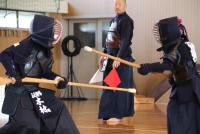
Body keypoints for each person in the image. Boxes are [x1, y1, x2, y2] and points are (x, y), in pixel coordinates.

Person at [0, 15, 80, 134]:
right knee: (28, 125)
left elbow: (46, 72)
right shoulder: (25, 44)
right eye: (52, 31)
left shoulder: (47, 52)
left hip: (34, 91)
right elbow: (4, 55)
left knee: (58, 107)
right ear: (44, 30)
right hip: (19, 91)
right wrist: (13, 74)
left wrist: (58, 79)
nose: (54, 34)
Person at [137, 16, 200, 134]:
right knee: (182, 116)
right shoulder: (184, 43)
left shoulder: (178, 46)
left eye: (162, 31)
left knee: (182, 118)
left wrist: (148, 67)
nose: (159, 35)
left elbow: (167, 65)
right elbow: (180, 66)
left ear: (169, 32)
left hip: (187, 89)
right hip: (188, 85)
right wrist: (174, 78)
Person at [98, 0, 135, 124]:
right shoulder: (113, 20)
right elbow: (109, 39)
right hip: (110, 57)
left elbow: (125, 41)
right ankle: (107, 113)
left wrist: (119, 58)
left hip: (120, 58)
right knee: (108, 86)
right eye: (115, 4)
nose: (117, 6)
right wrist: (103, 54)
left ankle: (117, 115)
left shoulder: (127, 21)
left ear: (125, 6)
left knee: (118, 87)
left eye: (120, 4)